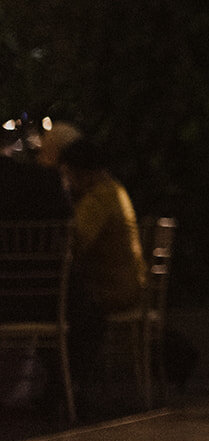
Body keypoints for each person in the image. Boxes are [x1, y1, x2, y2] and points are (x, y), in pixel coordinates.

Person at [55, 137, 147, 404]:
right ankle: (70, 387)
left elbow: (76, 241)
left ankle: (70, 387)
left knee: (70, 310)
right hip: (128, 285)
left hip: (112, 289)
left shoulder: (99, 198)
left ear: (79, 172)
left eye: (67, 174)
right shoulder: (115, 190)